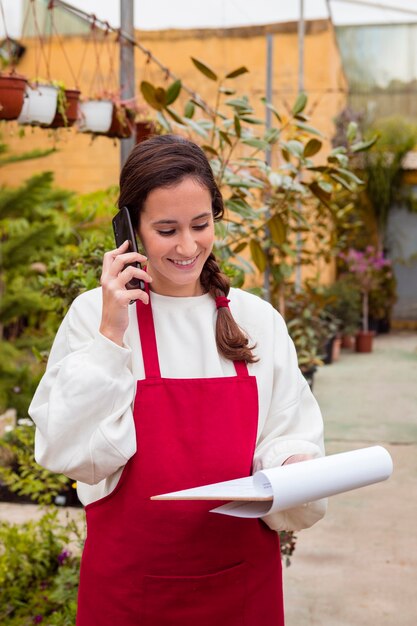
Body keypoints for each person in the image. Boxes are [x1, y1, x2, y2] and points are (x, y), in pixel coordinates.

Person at [29, 134, 326, 626]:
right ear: (130, 230)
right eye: (166, 229)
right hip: (130, 592)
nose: (189, 247)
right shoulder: (95, 315)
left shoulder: (257, 319)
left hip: (242, 587)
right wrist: (110, 336)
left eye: (201, 225)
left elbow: (288, 428)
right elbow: (68, 451)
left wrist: (291, 460)